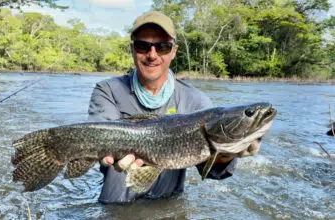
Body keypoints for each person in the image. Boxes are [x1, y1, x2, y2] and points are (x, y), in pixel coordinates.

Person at [88, 11, 261, 204]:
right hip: (115, 205)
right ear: (132, 49)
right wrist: (102, 154)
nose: (152, 55)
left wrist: (227, 154)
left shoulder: (196, 101)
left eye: (162, 47)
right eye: (142, 46)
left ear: (174, 51)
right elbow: (97, 138)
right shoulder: (107, 90)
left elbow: (213, 172)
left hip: (168, 205)